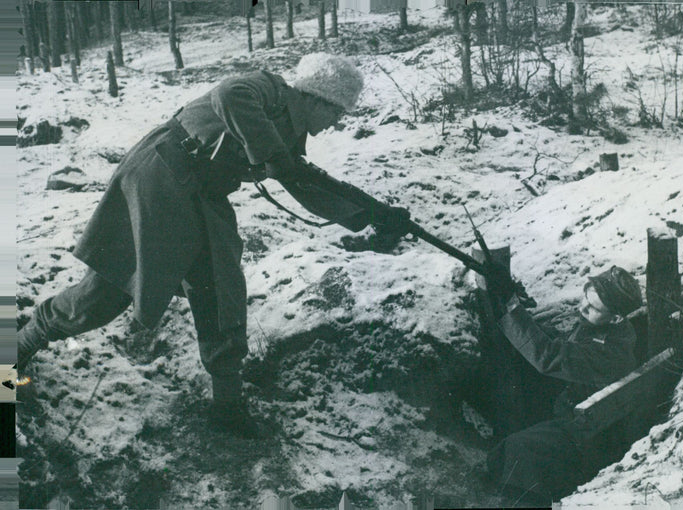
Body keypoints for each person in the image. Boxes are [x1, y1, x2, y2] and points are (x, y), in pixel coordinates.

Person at [17, 53, 410, 439]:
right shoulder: (268, 90)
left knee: (222, 290)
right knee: (112, 290)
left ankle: (227, 406)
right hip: (162, 178)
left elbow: (302, 179)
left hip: (203, 194)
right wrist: (274, 155)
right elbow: (228, 94)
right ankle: (17, 346)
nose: (336, 123)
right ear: (317, 98)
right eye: (337, 112)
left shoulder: (288, 132)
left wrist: (372, 214)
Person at [484, 265, 643, 505]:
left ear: (617, 317)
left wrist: (513, 307)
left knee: (518, 448)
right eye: (585, 298)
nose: (582, 308)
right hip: (583, 413)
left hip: (589, 437)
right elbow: (565, 345)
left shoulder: (608, 352)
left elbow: (549, 357)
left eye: (593, 307)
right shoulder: (608, 328)